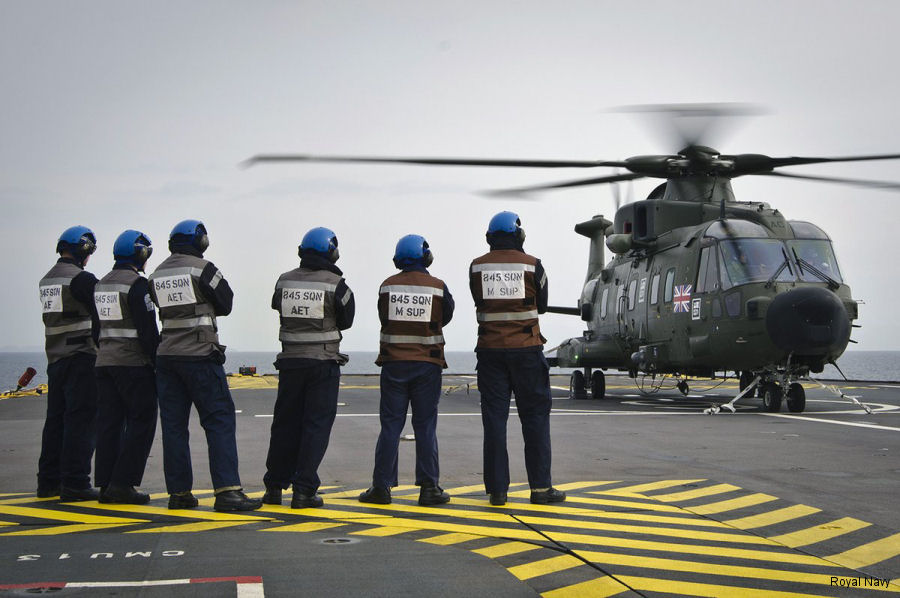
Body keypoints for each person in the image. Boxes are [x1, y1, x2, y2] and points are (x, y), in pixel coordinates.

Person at [148, 219, 261, 512]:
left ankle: (179, 494)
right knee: (219, 420)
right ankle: (227, 492)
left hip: (167, 357)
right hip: (199, 354)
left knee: (174, 428)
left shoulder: (156, 274)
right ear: (201, 242)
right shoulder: (203, 269)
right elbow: (226, 302)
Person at [468, 211, 565, 506]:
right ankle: (540, 489)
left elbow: (478, 299)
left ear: (489, 237)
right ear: (520, 235)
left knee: (494, 422)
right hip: (526, 350)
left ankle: (498, 491)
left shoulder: (476, 268)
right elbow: (544, 306)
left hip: (490, 352)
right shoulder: (534, 265)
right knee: (534, 418)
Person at [262, 227, 355, 509]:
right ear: (332, 252)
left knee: (284, 424)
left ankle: (274, 487)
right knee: (315, 426)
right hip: (323, 364)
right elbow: (347, 320)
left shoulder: (284, 282)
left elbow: (276, 306)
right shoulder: (336, 285)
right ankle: (304, 490)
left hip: (290, 362)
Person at [359, 235, 454, 506]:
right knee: (425, 427)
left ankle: (381, 487)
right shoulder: (438, 287)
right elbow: (445, 316)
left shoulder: (387, 286)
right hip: (427, 365)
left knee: (390, 426)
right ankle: (429, 488)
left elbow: (383, 316)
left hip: (394, 365)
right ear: (426, 256)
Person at [93, 230, 160, 504]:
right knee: (142, 421)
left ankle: (107, 483)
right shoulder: (137, 285)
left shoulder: (100, 285)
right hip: (133, 364)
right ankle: (124, 483)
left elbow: (95, 327)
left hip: (104, 362)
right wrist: (157, 363)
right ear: (141, 254)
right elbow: (147, 329)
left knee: (109, 424)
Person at [37, 226, 101, 501]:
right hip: (81, 356)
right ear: (84, 250)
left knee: (55, 421)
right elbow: (100, 314)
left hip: (55, 357)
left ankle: (48, 482)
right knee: (81, 420)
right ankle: (75, 482)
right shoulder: (81, 279)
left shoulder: (47, 280)